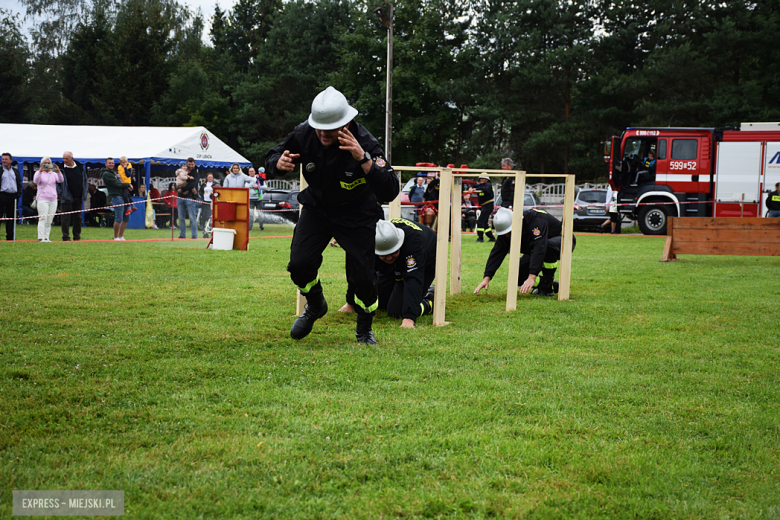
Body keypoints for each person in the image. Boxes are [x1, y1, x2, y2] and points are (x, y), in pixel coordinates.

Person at [265, 86, 399, 345]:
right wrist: (277, 164)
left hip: (358, 213)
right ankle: (315, 304)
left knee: (363, 278)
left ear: (346, 123)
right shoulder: (304, 133)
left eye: (331, 128)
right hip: (318, 208)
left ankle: (363, 330)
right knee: (299, 265)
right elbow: (273, 155)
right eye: (320, 127)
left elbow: (391, 189)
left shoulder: (366, 142)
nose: (324, 133)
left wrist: (363, 159)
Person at [473, 207, 576, 297]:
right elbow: (497, 253)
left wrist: (532, 276)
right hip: (535, 249)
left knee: (548, 247)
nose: (507, 236)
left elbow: (540, 247)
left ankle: (546, 286)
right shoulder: (506, 234)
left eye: (509, 233)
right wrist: (486, 278)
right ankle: (549, 284)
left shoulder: (535, 219)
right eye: (505, 234)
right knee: (517, 277)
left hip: (563, 241)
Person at [374, 219, 436, 328]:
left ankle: (430, 299)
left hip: (425, 261)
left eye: (393, 252)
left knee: (396, 311)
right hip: (397, 264)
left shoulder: (414, 243)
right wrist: (350, 303)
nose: (389, 258)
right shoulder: (374, 240)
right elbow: (361, 272)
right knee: (378, 301)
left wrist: (409, 318)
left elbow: (413, 279)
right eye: (384, 254)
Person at [58, 151, 88, 241]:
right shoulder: (60, 168)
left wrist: (84, 192)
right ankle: (66, 236)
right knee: (65, 218)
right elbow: (56, 183)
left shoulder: (79, 166)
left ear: (72, 158)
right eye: (63, 158)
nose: (64, 160)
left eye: (66, 158)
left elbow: (85, 180)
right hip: (66, 197)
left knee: (78, 218)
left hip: (78, 196)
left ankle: (77, 236)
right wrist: (61, 193)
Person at [32, 157, 63, 243]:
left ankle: (46, 237)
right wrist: (40, 171)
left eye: (48, 163)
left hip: (53, 199)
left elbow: (61, 180)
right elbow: (35, 181)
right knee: (43, 218)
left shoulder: (53, 174)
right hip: (42, 199)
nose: (46, 165)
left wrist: (58, 171)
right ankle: (41, 238)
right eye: (44, 163)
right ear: (41, 164)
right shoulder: (38, 173)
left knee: (49, 219)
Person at [102, 157, 132, 241]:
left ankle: (120, 236)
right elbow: (116, 184)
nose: (111, 164)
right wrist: (127, 185)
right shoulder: (106, 174)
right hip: (116, 196)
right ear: (106, 164)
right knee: (119, 217)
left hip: (124, 195)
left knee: (126, 217)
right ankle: (115, 237)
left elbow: (121, 181)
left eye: (112, 163)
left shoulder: (114, 172)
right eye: (109, 163)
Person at [1, 152, 23, 240]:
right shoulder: (0, 170)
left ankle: (10, 237)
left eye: (6, 159)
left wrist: (18, 194)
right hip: (2, 195)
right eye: (2, 159)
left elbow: (18, 183)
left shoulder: (15, 171)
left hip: (12, 196)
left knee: (11, 217)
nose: (4, 161)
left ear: (11, 160)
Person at [176, 158, 200, 239]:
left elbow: (193, 184)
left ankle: (194, 235)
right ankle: (182, 235)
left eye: (192, 164)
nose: (190, 166)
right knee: (181, 218)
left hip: (190, 197)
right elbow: (177, 182)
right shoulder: (180, 171)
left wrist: (182, 189)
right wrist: (178, 189)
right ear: (186, 164)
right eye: (189, 164)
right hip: (180, 197)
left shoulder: (195, 173)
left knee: (192, 218)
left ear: (194, 164)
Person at [468, 173, 496, 242]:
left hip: (488, 205)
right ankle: (492, 238)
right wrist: (471, 187)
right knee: (485, 223)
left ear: (487, 179)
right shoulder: (482, 185)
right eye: (480, 179)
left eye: (483, 178)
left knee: (480, 222)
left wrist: (476, 188)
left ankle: (480, 238)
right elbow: (474, 185)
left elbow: (485, 189)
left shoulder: (488, 185)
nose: (481, 180)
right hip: (484, 206)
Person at [246, 167, 263, 231]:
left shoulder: (259, 178)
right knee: (251, 213)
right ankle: (250, 227)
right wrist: (253, 186)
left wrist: (258, 186)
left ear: (255, 171)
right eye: (250, 171)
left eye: (252, 171)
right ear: (248, 172)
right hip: (250, 198)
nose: (251, 172)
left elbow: (265, 186)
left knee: (260, 212)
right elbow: (246, 187)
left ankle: (261, 226)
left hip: (259, 199)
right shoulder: (247, 179)